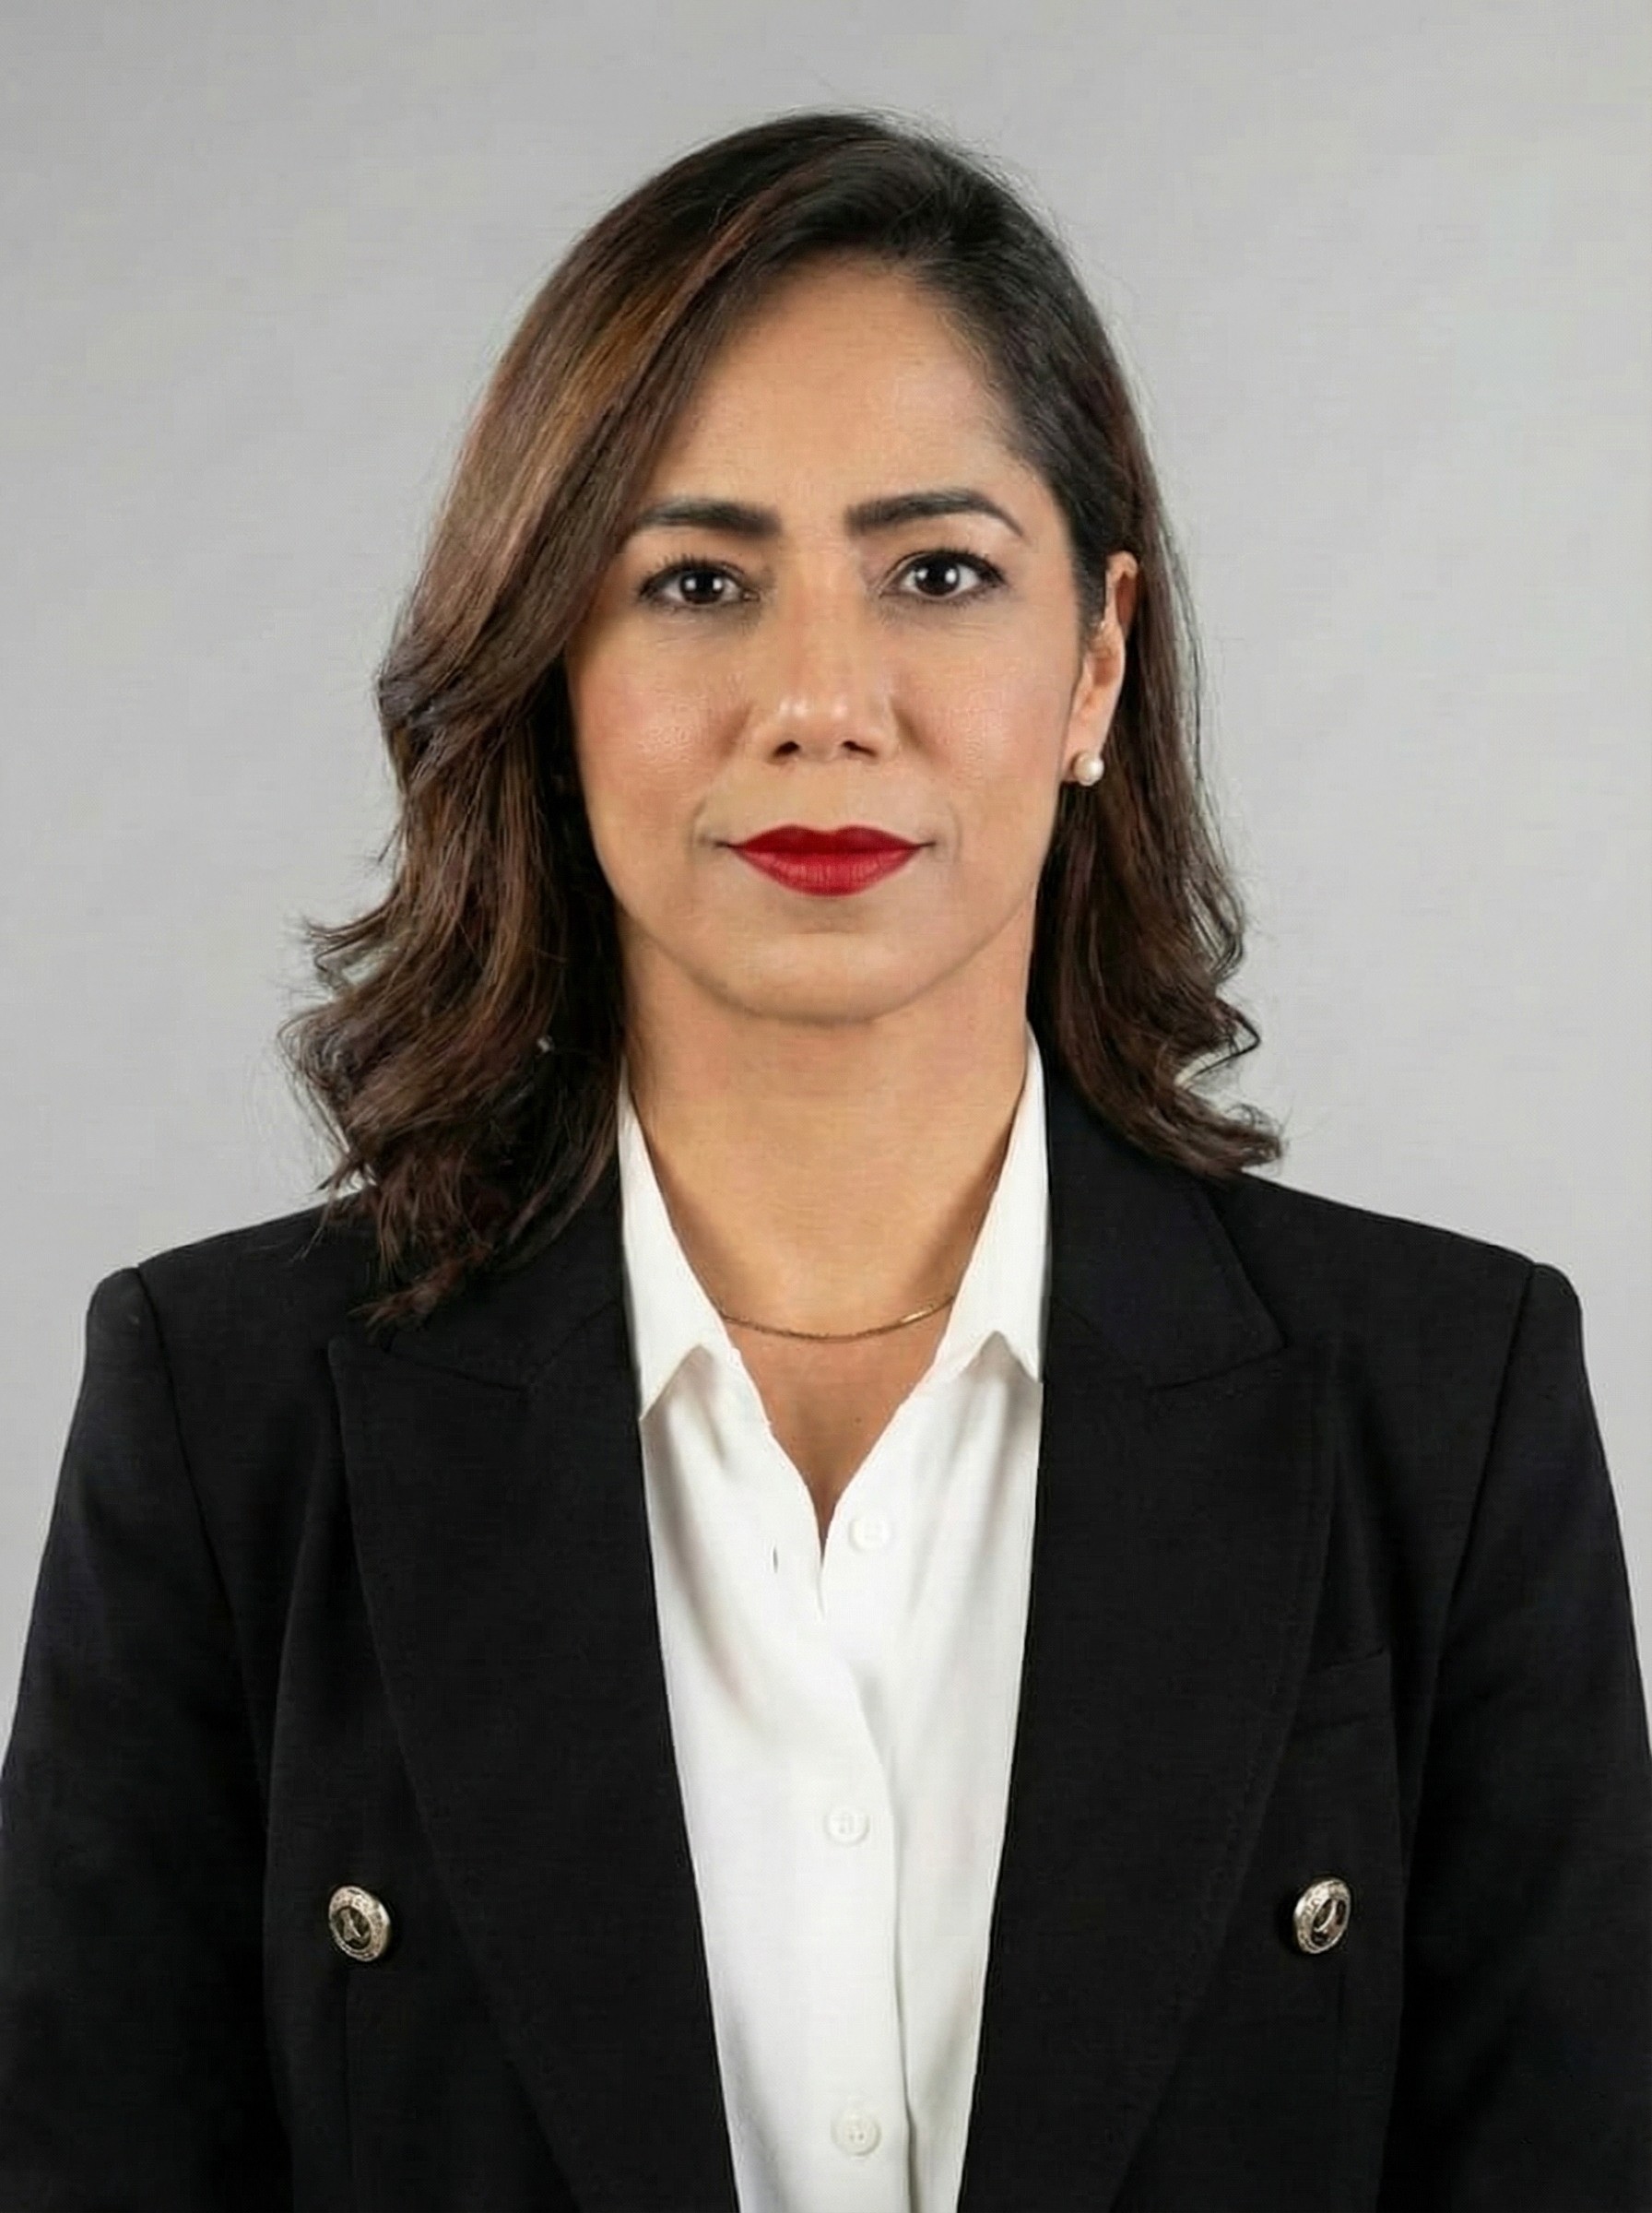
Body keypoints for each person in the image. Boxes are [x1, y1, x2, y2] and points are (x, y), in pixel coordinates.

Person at [0, 106, 1646, 2213]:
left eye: (934, 573)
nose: (817, 699)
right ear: (551, 668)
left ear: (1096, 661)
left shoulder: (1445, 1411)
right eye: (695, 582)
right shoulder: (225, 1426)